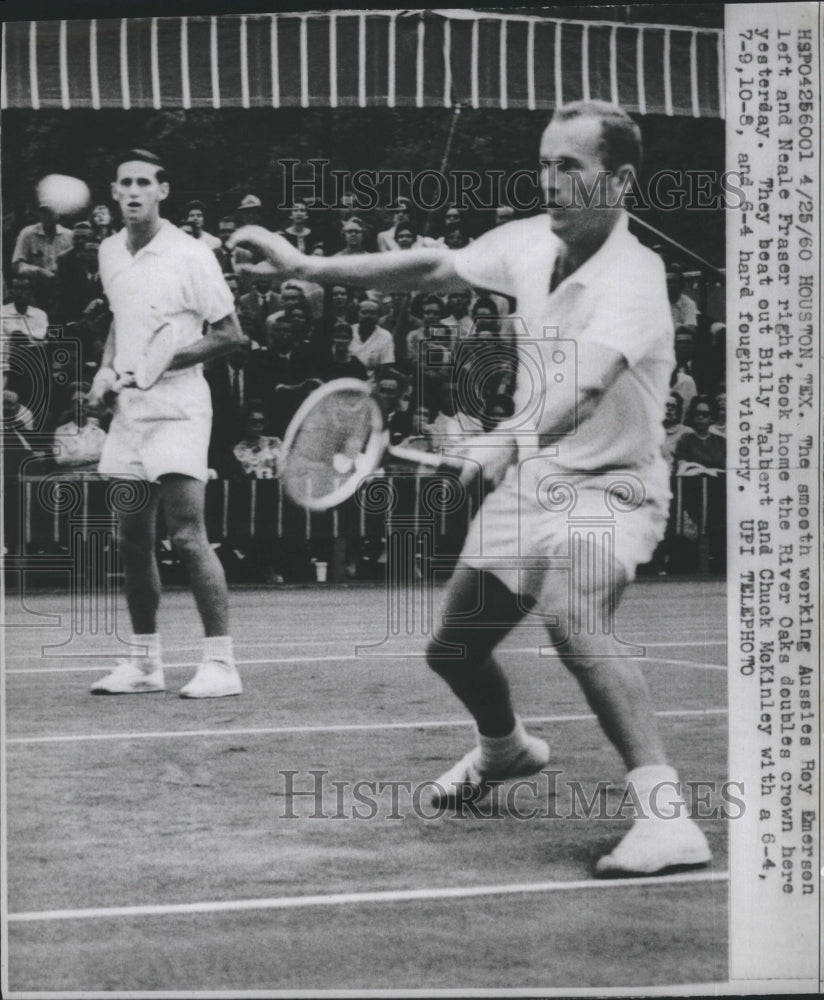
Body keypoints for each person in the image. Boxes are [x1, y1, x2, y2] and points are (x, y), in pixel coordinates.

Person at [230, 100, 712, 877]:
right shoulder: (529, 243)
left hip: (614, 485)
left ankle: (667, 820)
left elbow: (586, 389)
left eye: (570, 168)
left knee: (572, 614)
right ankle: (505, 751)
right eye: (544, 164)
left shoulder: (636, 278)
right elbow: (433, 266)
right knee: (454, 650)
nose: (549, 181)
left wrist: (505, 441)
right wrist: (305, 266)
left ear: (619, 181)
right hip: (536, 480)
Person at [87, 149, 246, 698]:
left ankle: (222, 664)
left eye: (144, 183)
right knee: (132, 539)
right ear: (113, 191)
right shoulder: (110, 250)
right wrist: (107, 372)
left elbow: (230, 335)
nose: (133, 191)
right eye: (124, 182)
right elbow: (119, 320)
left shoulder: (191, 254)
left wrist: (162, 363)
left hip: (179, 408)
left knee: (186, 534)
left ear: (163, 191)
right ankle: (145, 664)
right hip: (128, 413)